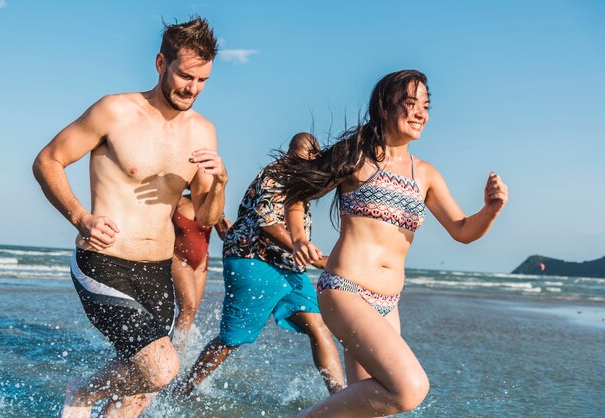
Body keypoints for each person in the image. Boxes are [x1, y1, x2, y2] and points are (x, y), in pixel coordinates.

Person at [268, 70, 508, 417]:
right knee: (409, 388)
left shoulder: (425, 174)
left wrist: (490, 210)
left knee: (370, 407)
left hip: (388, 303)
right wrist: (299, 238)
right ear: (384, 107)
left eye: (425, 106)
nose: (420, 113)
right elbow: (297, 193)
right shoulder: (356, 157)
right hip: (345, 290)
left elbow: (462, 230)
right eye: (410, 104)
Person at [32, 17, 226, 418]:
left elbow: (206, 215)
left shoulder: (203, 132)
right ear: (160, 64)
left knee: (138, 395)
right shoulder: (114, 111)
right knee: (161, 367)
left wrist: (220, 183)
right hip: (103, 262)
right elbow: (47, 160)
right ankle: (83, 394)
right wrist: (80, 217)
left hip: (157, 271)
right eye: (185, 75)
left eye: (202, 80)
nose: (192, 88)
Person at [177, 133, 345, 396]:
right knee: (232, 339)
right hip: (253, 260)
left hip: (288, 266)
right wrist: (311, 255)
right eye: (307, 158)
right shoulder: (277, 174)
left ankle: (340, 398)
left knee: (318, 327)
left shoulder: (298, 181)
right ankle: (181, 390)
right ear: (294, 155)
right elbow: (268, 224)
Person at [172, 192, 231, 336]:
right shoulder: (177, 200)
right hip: (177, 258)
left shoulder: (212, 206)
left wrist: (228, 230)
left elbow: (224, 235)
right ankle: (174, 350)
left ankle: (179, 350)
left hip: (201, 264)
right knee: (188, 307)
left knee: (191, 312)